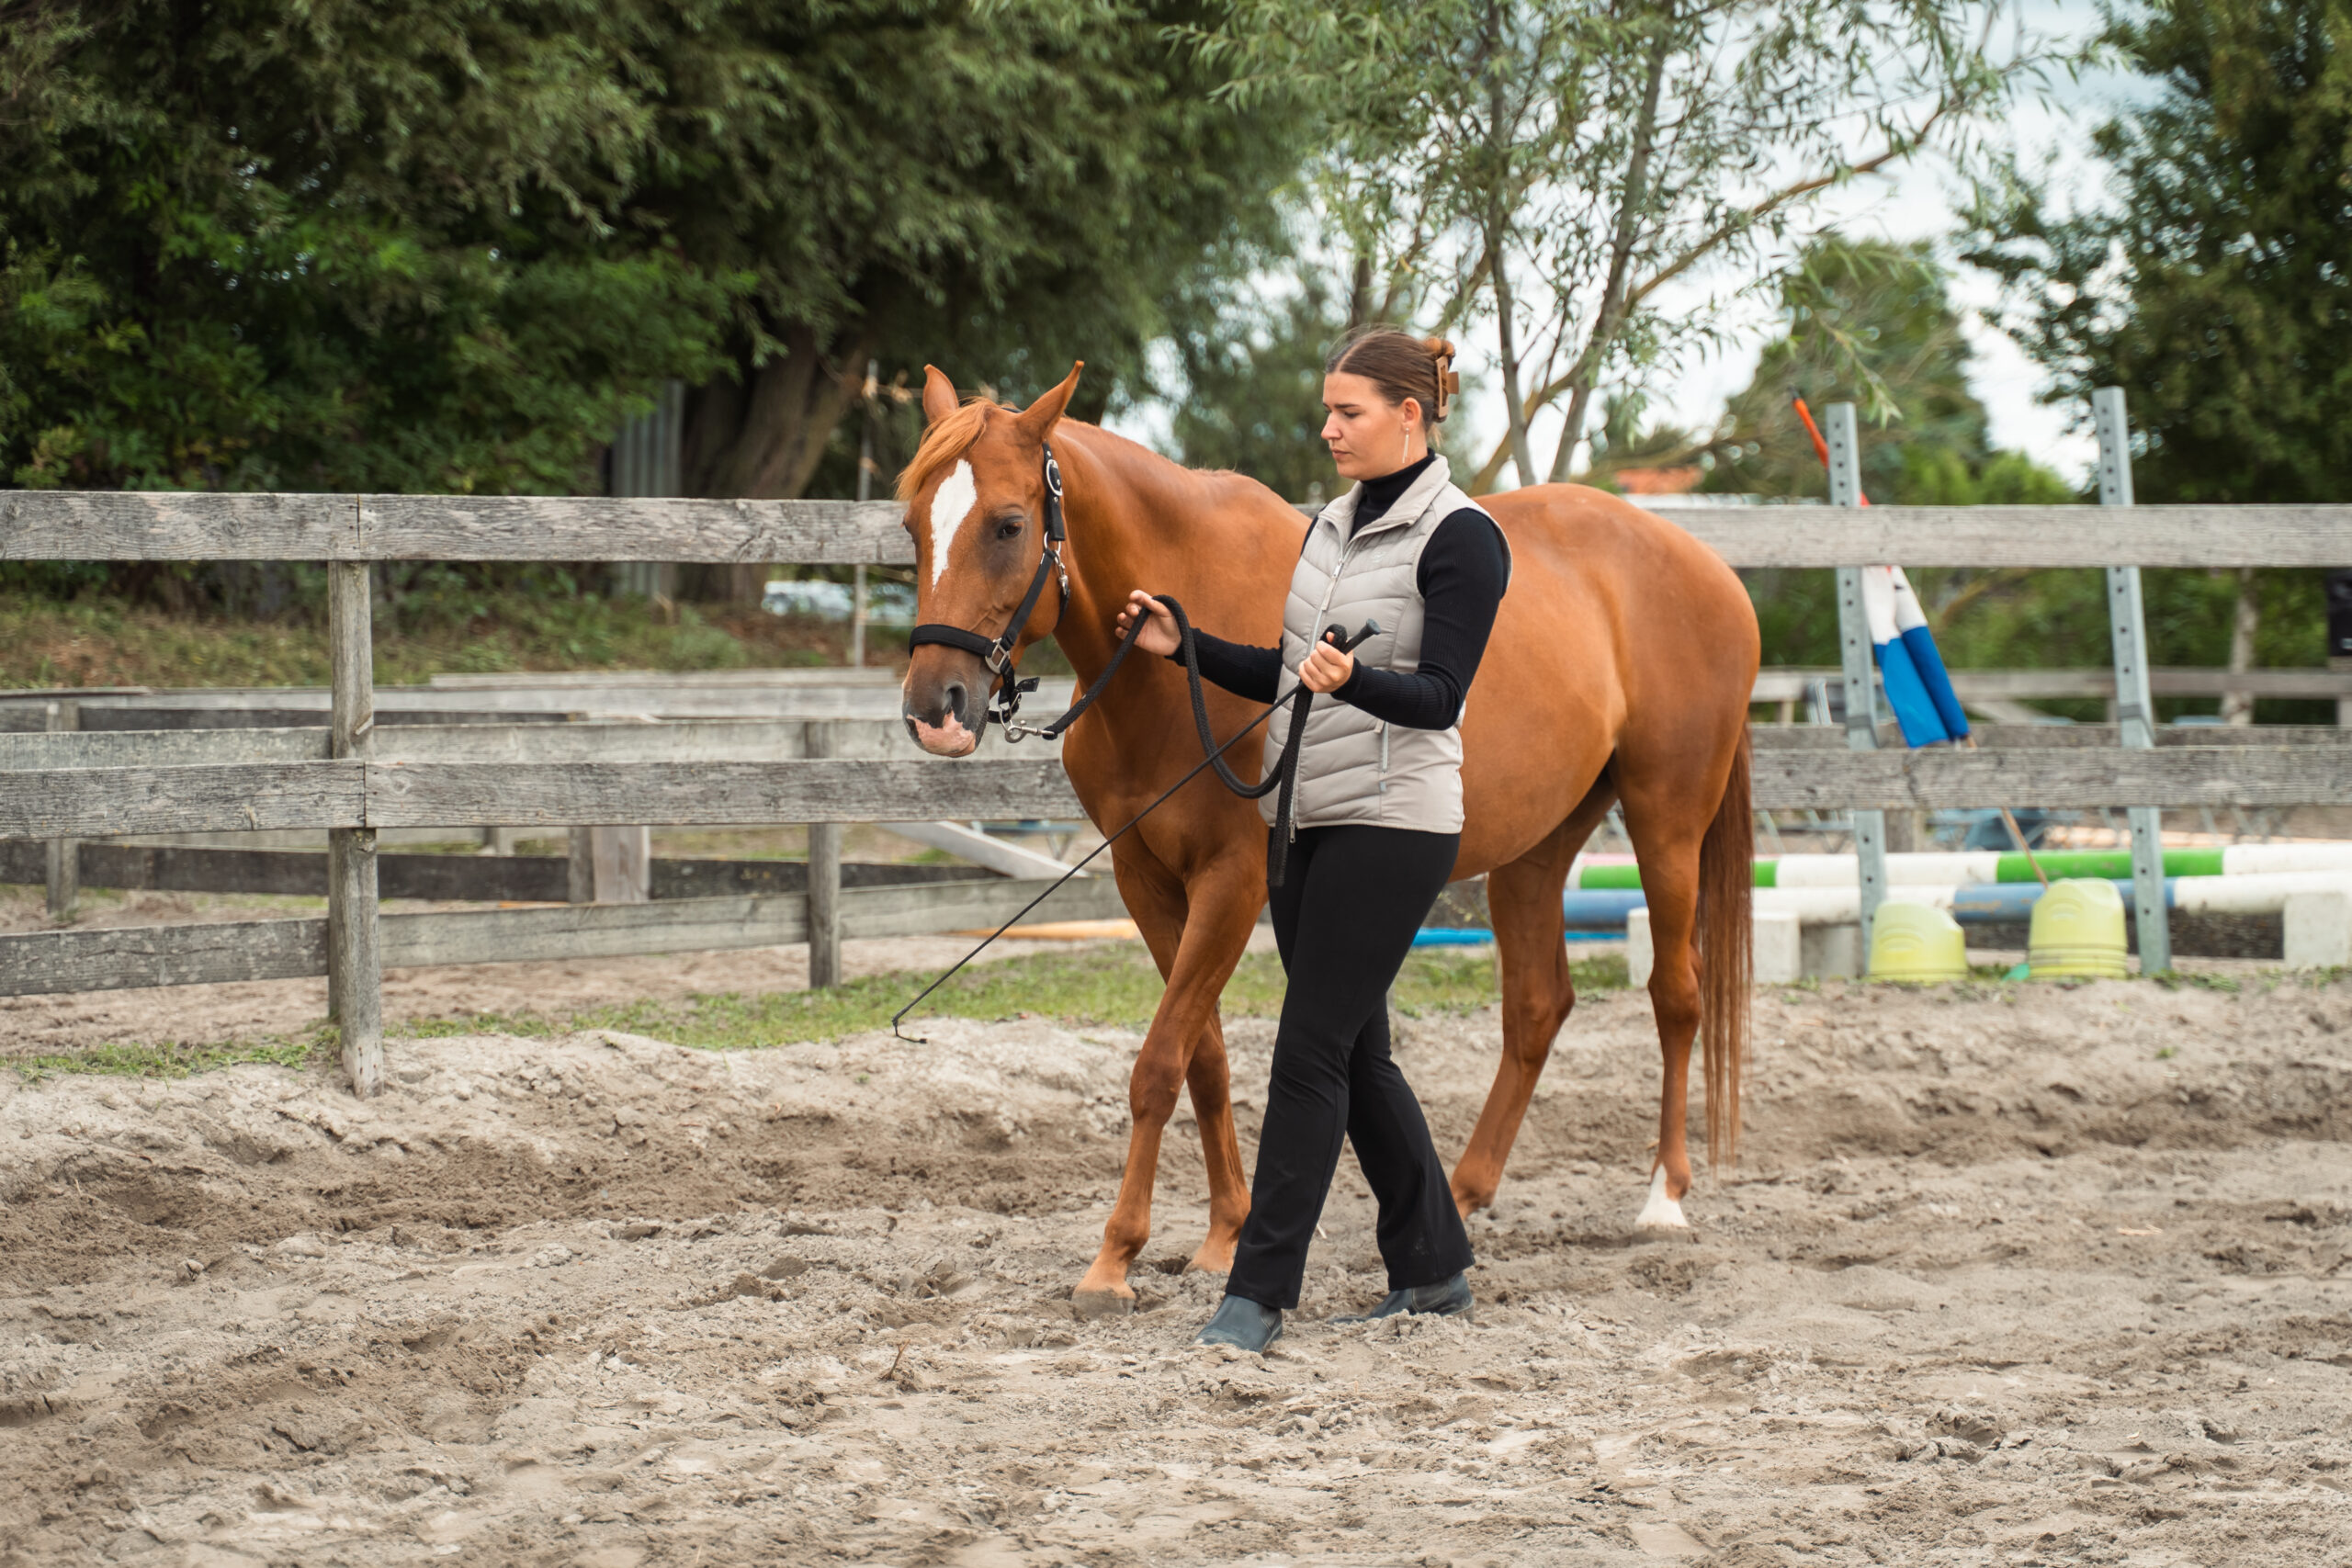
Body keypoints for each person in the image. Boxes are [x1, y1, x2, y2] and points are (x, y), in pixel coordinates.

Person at [1114, 326, 1512, 1352]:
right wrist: (1183, 645)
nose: (1327, 427)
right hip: (1308, 816)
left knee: (1306, 1051)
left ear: (1409, 417)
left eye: (1349, 412)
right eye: (1327, 409)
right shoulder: (1329, 527)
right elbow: (1294, 668)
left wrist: (1357, 682)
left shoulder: (1461, 537)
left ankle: (1257, 1295)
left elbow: (1439, 699)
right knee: (1358, 1053)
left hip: (1397, 820)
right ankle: (1432, 1270)